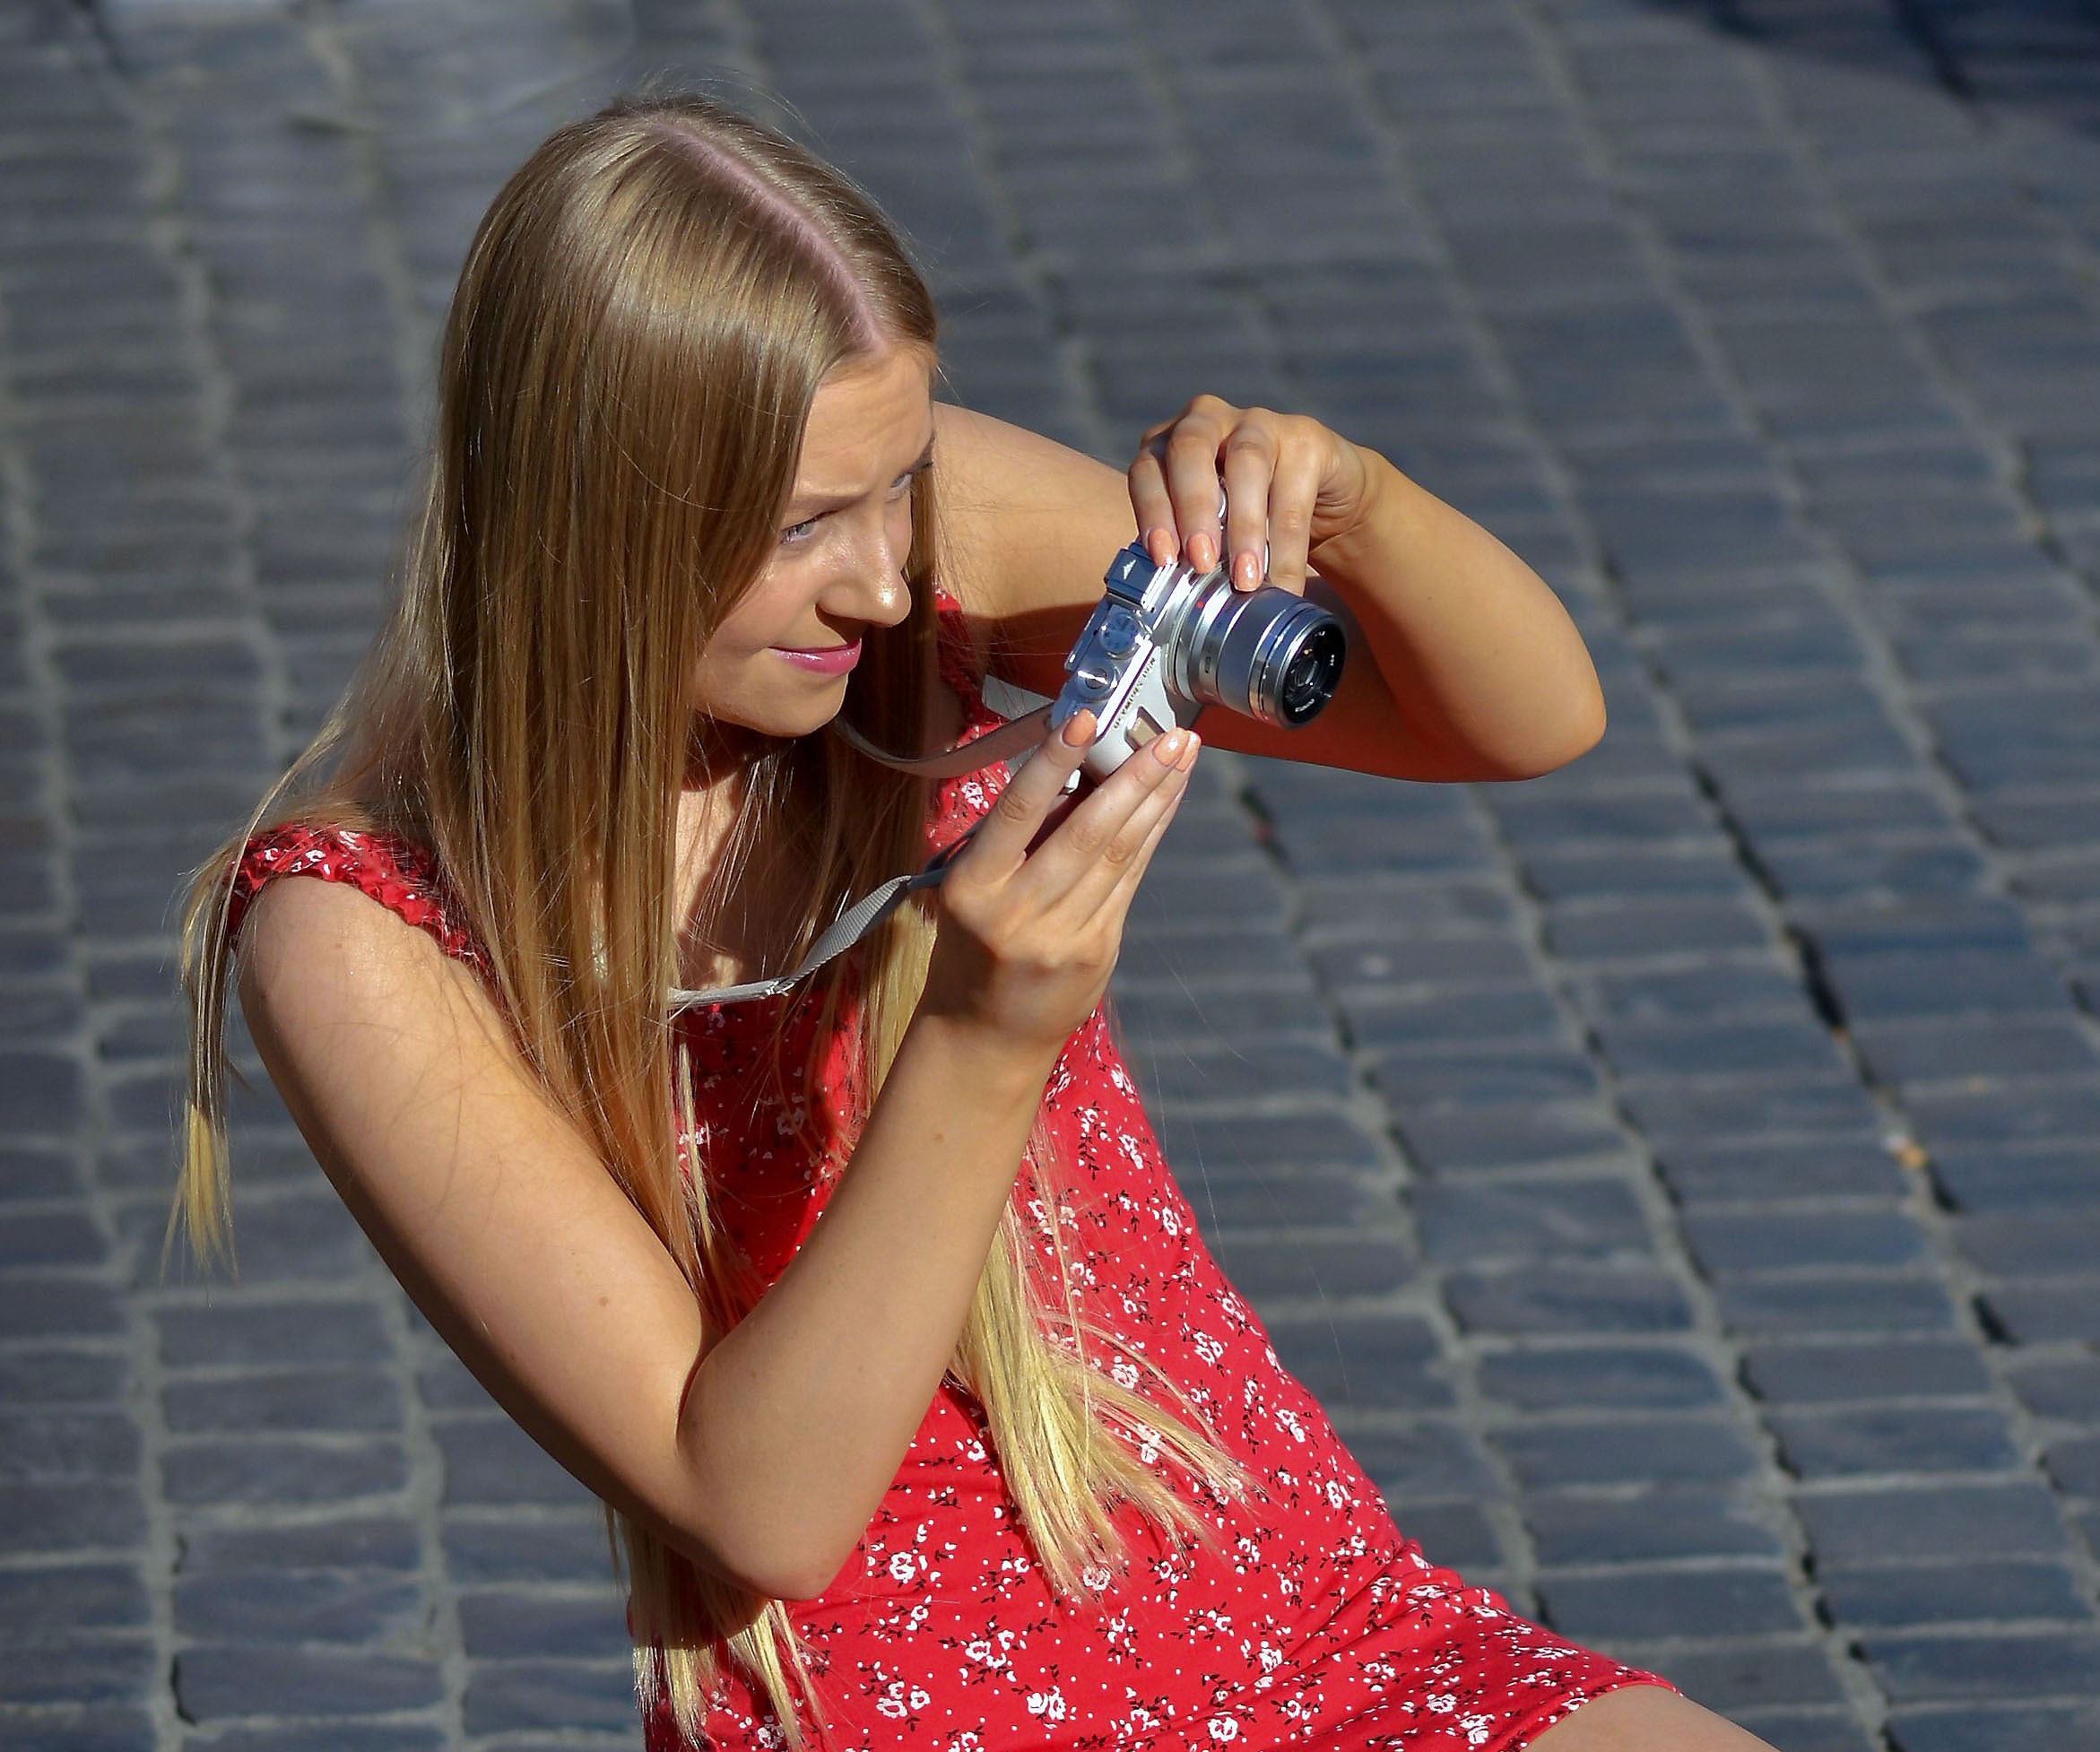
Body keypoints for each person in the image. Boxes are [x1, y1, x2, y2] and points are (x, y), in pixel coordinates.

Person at [174, 91, 1775, 1752]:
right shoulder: (360, 934)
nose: (881, 584)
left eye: (899, 485)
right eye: (798, 525)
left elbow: (1516, 721)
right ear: (592, 512)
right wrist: (984, 1035)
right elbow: (758, 1504)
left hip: (1272, 1582)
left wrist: (1355, 508)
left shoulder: (919, 536)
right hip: (900, 1702)